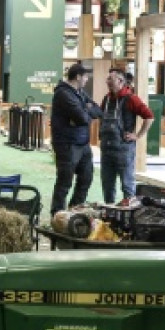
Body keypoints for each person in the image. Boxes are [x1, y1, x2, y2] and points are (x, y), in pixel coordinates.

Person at [49, 62, 103, 217]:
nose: (87, 79)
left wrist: (86, 109)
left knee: (86, 178)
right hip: (67, 143)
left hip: (83, 143)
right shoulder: (63, 93)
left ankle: (74, 211)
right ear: (78, 77)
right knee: (65, 181)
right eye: (85, 77)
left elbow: (97, 110)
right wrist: (86, 111)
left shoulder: (79, 92)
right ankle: (57, 215)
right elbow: (82, 119)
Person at [98, 69, 154, 204]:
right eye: (108, 79)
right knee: (107, 186)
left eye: (111, 79)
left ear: (121, 81)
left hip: (124, 150)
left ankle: (128, 217)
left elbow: (149, 116)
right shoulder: (106, 99)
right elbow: (101, 118)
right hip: (106, 150)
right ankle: (109, 214)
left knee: (127, 186)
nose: (108, 82)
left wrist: (138, 135)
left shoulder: (131, 98)